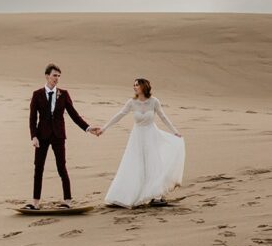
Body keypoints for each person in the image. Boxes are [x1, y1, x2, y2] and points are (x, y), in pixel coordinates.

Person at [94, 77, 185, 207]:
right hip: (137, 137)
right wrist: (104, 128)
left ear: (143, 86)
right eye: (134, 85)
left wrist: (175, 131)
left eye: (137, 85)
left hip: (151, 136)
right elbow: (119, 115)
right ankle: (123, 196)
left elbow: (163, 117)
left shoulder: (154, 102)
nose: (134, 87)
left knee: (153, 164)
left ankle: (156, 196)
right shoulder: (132, 102)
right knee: (134, 164)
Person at [25, 63, 100, 210]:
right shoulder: (37, 94)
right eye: (54, 75)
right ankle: (35, 202)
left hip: (58, 136)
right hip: (42, 136)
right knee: (38, 168)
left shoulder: (63, 94)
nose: (57, 78)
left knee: (61, 167)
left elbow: (74, 114)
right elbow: (32, 118)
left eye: (59, 76)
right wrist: (33, 136)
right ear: (47, 76)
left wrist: (88, 128)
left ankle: (67, 201)